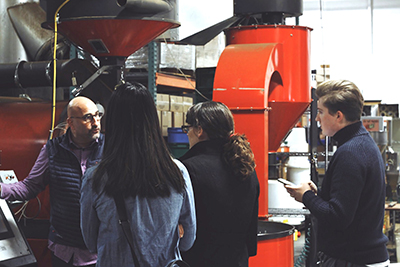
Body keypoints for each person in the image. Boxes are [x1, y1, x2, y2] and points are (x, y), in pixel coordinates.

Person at [80, 82, 196, 267]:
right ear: (152, 120)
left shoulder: (96, 178)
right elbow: (188, 240)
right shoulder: (177, 172)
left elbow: (90, 242)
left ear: (112, 123)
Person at [285, 80, 389, 267]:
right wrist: (321, 196)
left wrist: (306, 196)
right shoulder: (362, 143)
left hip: (355, 260)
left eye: (321, 112)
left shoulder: (351, 153)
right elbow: (351, 206)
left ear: (338, 116)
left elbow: (338, 217)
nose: (317, 119)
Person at [1, 96, 104, 266]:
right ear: (70, 122)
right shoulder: (52, 150)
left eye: (97, 115)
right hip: (64, 252)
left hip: (99, 251)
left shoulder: (109, 149)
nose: (95, 122)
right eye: (87, 117)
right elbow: (29, 187)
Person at [179, 101, 260, 267]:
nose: (187, 134)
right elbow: (251, 234)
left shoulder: (187, 169)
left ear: (199, 130)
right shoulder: (245, 166)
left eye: (187, 128)